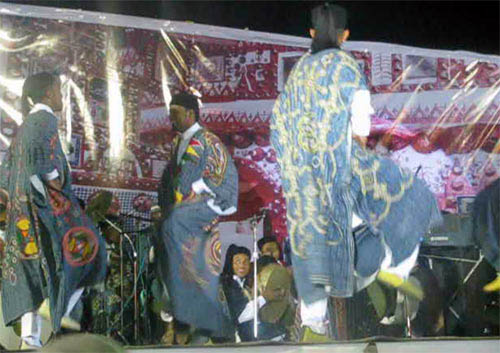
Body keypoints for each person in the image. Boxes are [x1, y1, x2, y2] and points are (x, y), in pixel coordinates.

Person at [270, 3, 441, 341]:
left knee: (313, 240)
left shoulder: (297, 73)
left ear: (311, 34)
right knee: (410, 196)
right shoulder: (347, 67)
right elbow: (361, 126)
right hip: (341, 167)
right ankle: (396, 266)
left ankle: (314, 316)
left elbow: (278, 125)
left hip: (303, 179)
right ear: (345, 36)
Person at [0, 72, 107, 349]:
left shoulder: (25, 126)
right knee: (90, 253)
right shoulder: (46, 118)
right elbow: (45, 159)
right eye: (59, 91)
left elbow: (6, 173)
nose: (61, 97)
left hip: (22, 213)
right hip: (46, 209)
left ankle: (30, 339)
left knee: (32, 271)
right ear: (48, 93)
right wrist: (53, 178)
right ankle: (53, 308)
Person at [156, 92, 238, 339]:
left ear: (190, 113)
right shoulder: (177, 143)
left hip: (199, 221)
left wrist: (201, 189)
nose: (171, 120)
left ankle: (220, 334)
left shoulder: (209, 141)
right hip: (179, 219)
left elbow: (225, 178)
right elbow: (171, 181)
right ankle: (187, 331)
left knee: (204, 275)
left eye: (175, 114)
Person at [220, 244, 286, 342]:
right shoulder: (227, 285)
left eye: (245, 262)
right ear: (230, 263)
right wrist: (265, 298)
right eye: (237, 262)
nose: (242, 265)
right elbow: (242, 316)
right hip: (237, 334)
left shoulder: (245, 285)